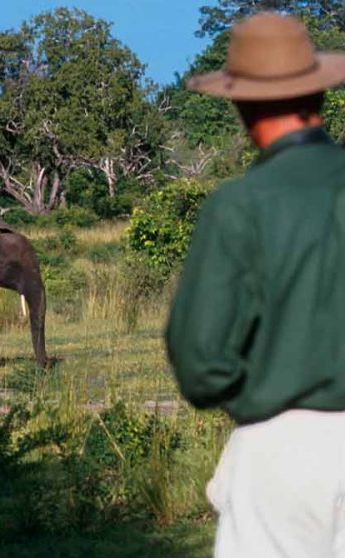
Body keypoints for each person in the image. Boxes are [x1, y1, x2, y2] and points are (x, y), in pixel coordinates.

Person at [166, 12, 345, 558]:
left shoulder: (240, 205)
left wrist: (266, 398)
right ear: (318, 92)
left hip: (282, 452)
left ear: (242, 105)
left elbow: (199, 362)